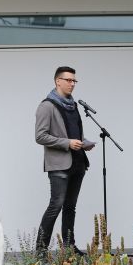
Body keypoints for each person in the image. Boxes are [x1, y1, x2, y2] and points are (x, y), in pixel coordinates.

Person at [35, 66, 94, 254]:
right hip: (59, 165)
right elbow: (40, 136)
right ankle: (41, 251)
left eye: (74, 81)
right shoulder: (47, 106)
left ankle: (68, 248)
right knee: (56, 206)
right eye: (68, 80)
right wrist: (67, 143)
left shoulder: (74, 105)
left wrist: (84, 143)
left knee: (70, 207)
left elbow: (73, 132)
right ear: (57, 81)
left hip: (78, 163)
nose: (72, 84)